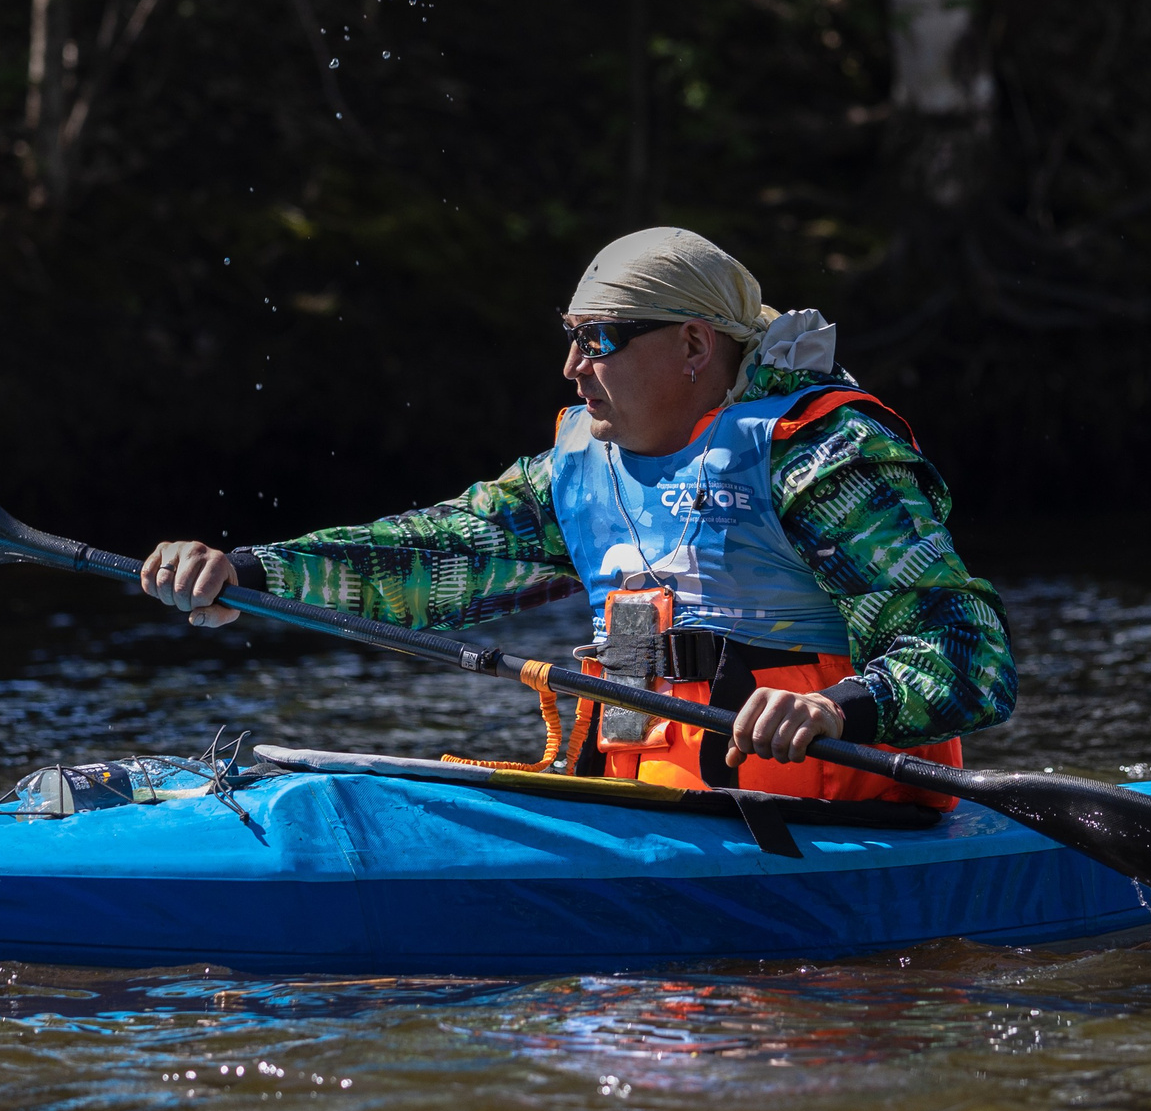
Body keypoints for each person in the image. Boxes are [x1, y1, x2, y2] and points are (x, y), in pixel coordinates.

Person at [140, 227, 1014, 802]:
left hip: (839, 828)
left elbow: (966, 652)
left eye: (597, 339)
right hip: (642, 809)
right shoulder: (576, 471)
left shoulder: (822, 458)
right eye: (569, 336)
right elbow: (434, 556)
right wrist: (249, 573)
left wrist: (839, 708)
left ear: (694, 345)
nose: (570, 367)